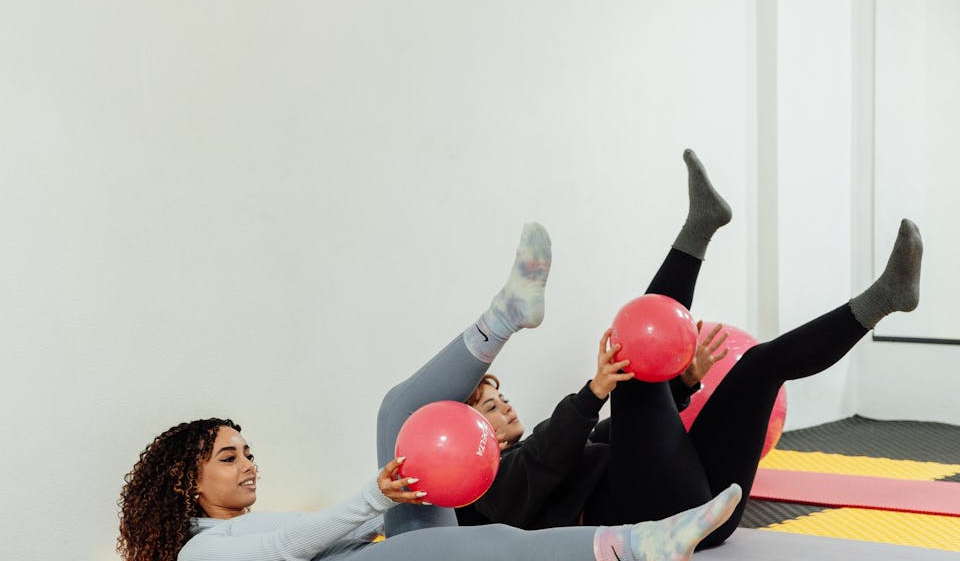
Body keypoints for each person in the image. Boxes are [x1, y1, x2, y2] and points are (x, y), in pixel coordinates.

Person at [116, 220, 743, 561]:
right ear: (184, 483)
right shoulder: (198, 557)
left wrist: (375, 519)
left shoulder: (234, 529)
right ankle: (637, 547)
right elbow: (284, 549)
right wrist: (371, 500)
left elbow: (312, 540)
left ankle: (505, 315)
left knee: (397, 408)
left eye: (246, 450)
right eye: (229, 457)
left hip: (387, 551)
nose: (249, 463)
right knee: (489, 542)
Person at [457, 150, 923, 549]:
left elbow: (628, 438)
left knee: (760, 365)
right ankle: (698, 228)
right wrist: (593, 392)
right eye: (491, 409)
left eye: (499, 397)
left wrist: (680, 387)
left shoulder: (538, 449)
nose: (504, 403)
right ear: (477, 442)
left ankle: (886, 297)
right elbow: (548, 456)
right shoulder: (487, 494)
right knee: (631, 364)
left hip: (703, 510)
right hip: (650, 523)